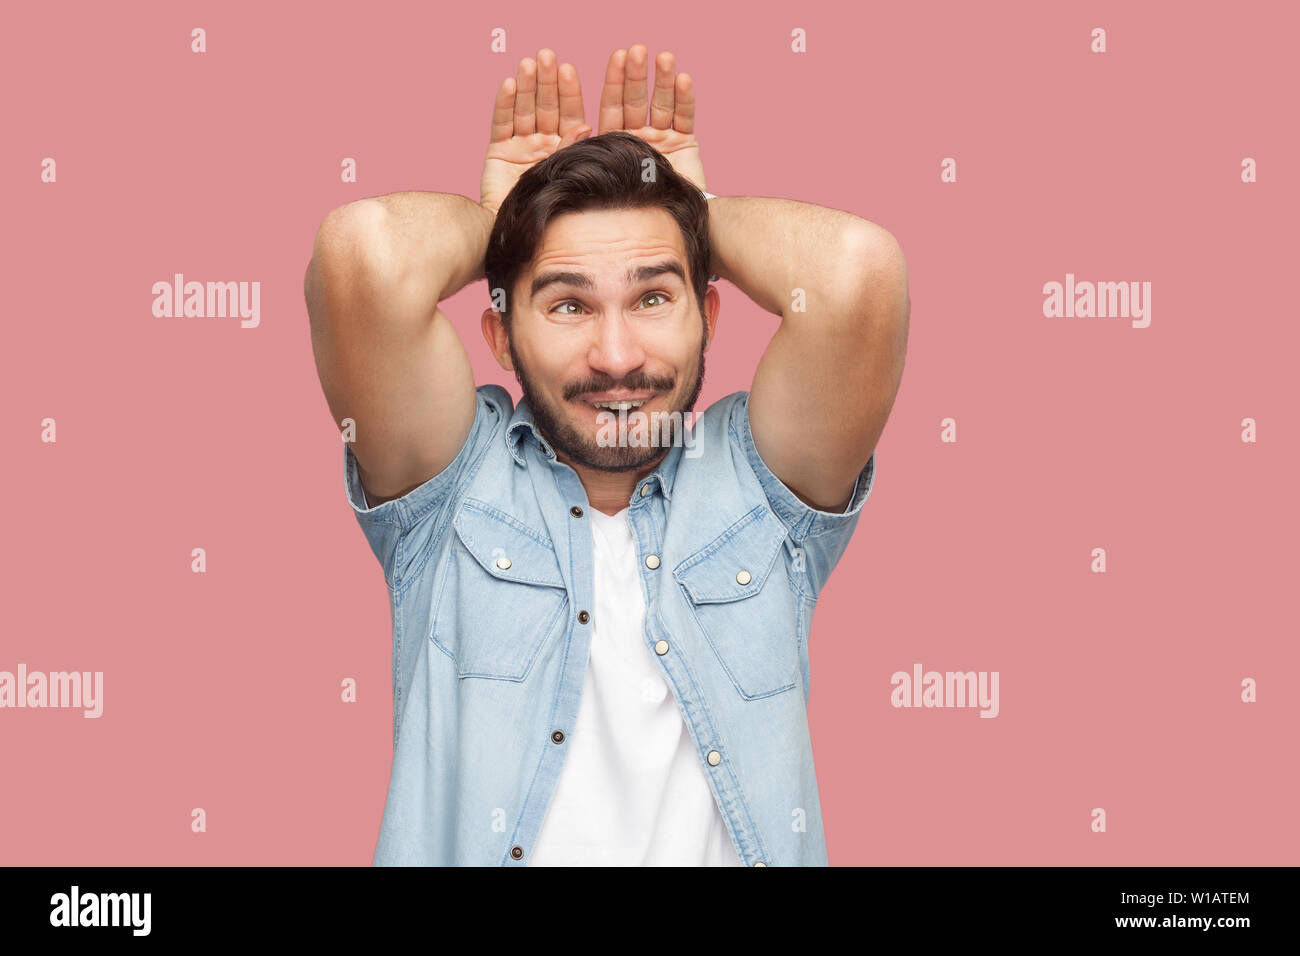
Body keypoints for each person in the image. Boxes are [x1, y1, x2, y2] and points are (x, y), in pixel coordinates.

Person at [304, 43, 909, 866]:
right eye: (567, 304)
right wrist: (501, 220)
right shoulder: (448, 487)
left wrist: (695, 206)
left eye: (654, 297)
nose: (616, 354)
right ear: (499, 332)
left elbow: (856, 275)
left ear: (709, 317)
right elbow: (361, 255)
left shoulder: (761, 494)